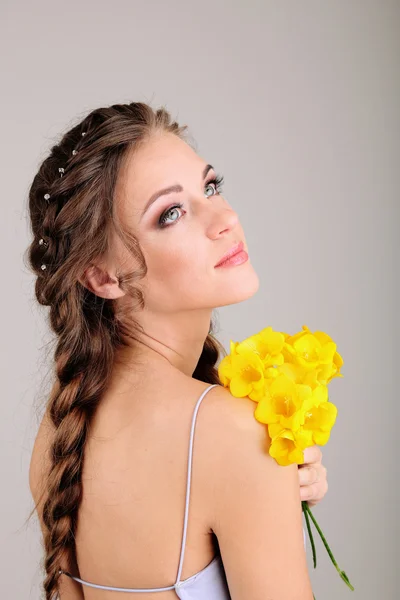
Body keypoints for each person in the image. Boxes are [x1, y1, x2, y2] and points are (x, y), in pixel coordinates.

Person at [27, 102, 328, 600]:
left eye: (210, 187)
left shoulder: (62, 429)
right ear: (103, 277)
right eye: (171, 214)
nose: (225, 218)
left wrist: (271, 498)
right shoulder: (229, 432)